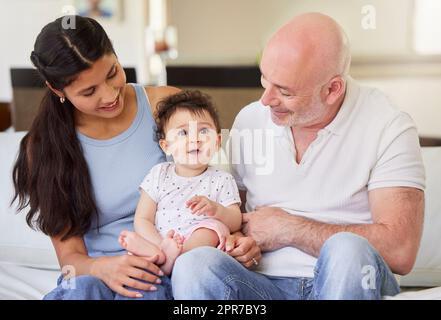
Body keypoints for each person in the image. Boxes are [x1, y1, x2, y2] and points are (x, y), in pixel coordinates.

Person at [170, 13, 426, 300]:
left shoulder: (388, 126)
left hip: (345, 280)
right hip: (263, 287)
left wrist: (291, 229)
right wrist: (238, 241)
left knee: (347, 249)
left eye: (284, 91)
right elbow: (235, 215)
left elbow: (400, 251)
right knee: (194, 265)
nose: (266, 99)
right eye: (265, 80)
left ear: (332, 90)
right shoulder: (251, 119)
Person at [12, 15, 179, 300]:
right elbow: (70, 262)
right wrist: (102, 267)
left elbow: (212, 186)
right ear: (57, 90)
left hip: (163, 263)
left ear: (114, 52)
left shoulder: (164, 106)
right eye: (89, 91)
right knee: (81, 290)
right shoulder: (43, 148)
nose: (110, 94)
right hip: (93, 273)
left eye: (112, 72)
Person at [118, 90, 242, 275]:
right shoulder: (159, 174)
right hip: (163, 240)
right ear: (166, 146)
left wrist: (216, 210)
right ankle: (160, 254)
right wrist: (162, 244)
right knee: (142, 232)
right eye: (183, 132)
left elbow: (236, 220)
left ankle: (176, 259)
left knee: (213, 229)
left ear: (217, 142)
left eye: (204, 130)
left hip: (196, 250)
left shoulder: (221, 179)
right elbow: (143, 218)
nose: (195, 138)